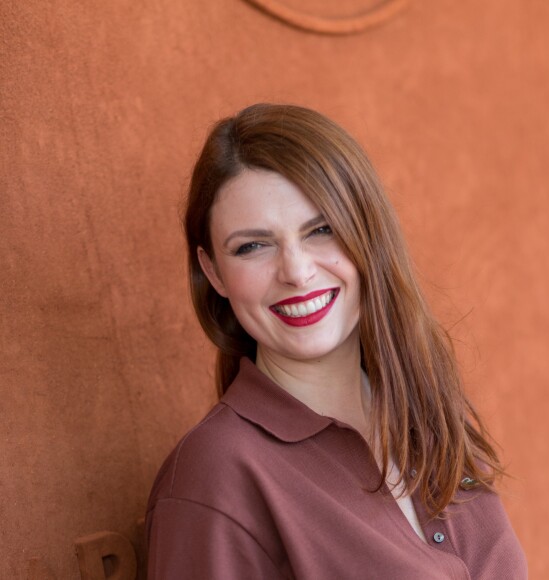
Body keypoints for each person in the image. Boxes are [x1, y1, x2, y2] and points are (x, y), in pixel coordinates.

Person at [145, 103, 527, 579]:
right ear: (213, 272)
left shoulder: (424, 421)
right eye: (253, 246)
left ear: (369, 235)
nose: (297, 272)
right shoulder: (213, 478)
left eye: (322, 230)